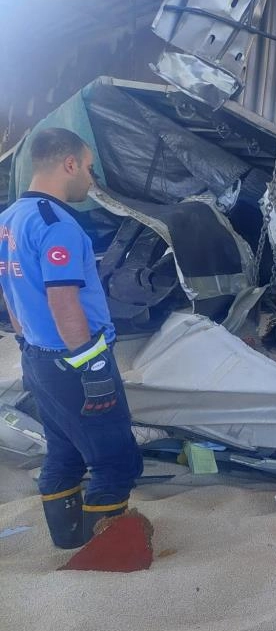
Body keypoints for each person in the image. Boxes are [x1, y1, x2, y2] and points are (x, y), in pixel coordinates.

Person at [0, 127, 143, 548]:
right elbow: (64, 302)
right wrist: (92, 364)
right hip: (76, 361)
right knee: (116, 462)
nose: (90, 179)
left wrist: (28, 343)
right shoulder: (57, 223)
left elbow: (9, 291)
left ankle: (70, 542)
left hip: (39, 359)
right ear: (68, 164)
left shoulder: (7, 220)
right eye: (88, 168)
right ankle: (107, 557)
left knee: (63, 451)